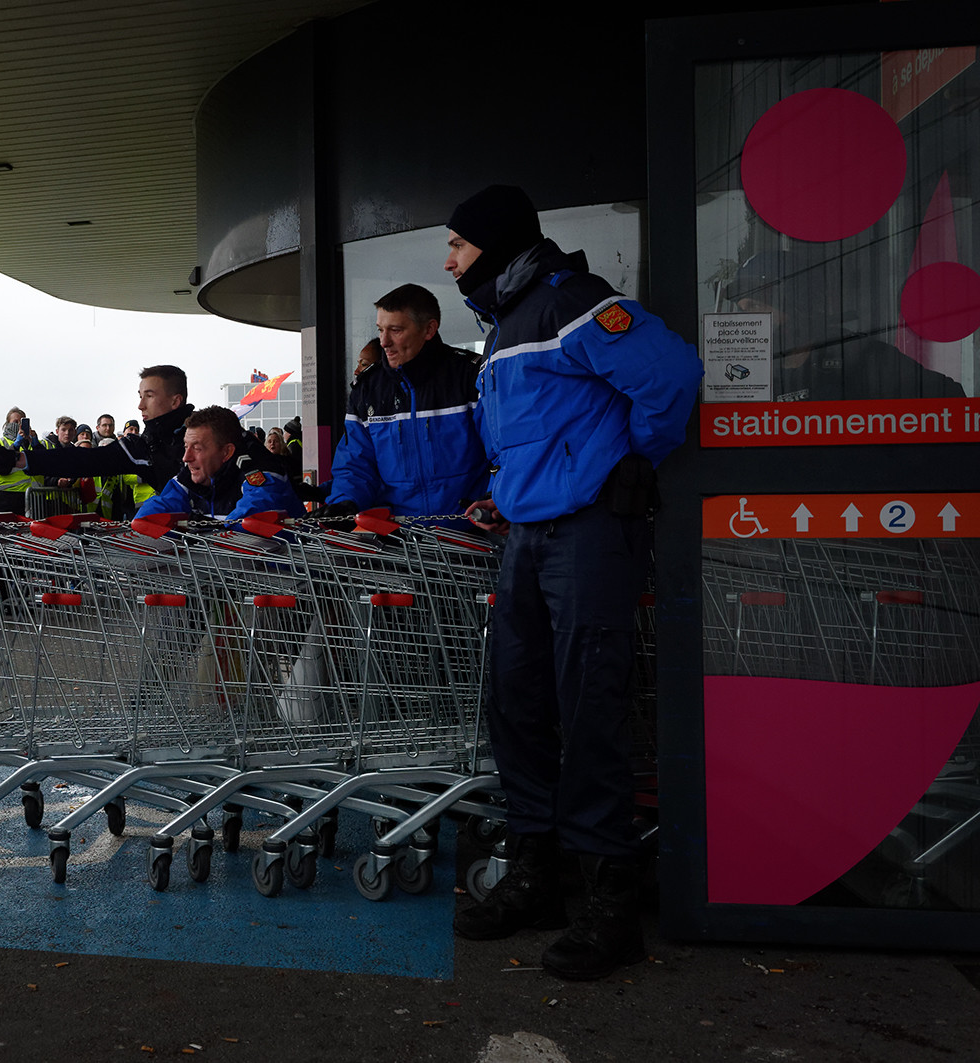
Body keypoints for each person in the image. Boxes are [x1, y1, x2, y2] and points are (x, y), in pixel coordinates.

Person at [446, 185, 702, 981]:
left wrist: (632, 463)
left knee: (589, 701)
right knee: (517, 701)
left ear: (493, 244)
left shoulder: (573, 302)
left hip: (589, 532)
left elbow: (670, 375)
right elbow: (533, 432)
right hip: (526, 535)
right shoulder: (503, 328)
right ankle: (538, 874)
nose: (449, 260)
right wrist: (505, 490)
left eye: (456, 245)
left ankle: (607, 900)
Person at [323, 284, 488, 517]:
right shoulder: (367, 390)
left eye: (396, 330)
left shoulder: (471, 377)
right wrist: (345, 502)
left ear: (429, 329)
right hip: (400, 543)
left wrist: (495, 500)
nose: (383, 342)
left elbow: (502, 452)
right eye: (380, 330)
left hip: (473, 536)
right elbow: (355, 466)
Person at [724, 250, 966, 401]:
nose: (745, 321)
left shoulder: (857, 356)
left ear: (796, 305)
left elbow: (951, 402)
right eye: (741, 310)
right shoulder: (742, 373)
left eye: (754, 307)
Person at [21, 365, 195, 494]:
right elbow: (88, 460)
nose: (140, 405)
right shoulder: (144, 445)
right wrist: (20, 459)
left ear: (175, 401)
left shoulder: (206, 435)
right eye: (140, 396)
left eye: (149, 396)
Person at [135, 406, 302, 520]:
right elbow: (157, 509)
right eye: (186, 447)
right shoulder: (192, 475)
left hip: (283, 570)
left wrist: (201, 528)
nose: (186, 457)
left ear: (226, 452)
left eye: (197, 448)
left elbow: (255, 511)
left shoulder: (262, 472)